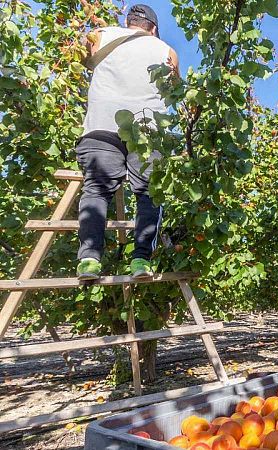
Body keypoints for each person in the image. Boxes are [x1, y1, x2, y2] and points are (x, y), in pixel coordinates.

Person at [75, 4, 179, 280]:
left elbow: (79, 56)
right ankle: (141, 261)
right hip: (147, 131)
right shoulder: (166, 51)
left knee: (96, 191)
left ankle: (88, 260)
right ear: (154, 29)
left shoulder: (100, 35)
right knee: (148, 193)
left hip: (101, 126)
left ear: (127, 22)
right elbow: (175, 92)